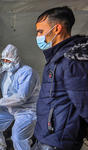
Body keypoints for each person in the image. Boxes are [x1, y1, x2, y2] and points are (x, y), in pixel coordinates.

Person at [33, 6, 88, 150]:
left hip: (57, 141)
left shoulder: (72, 60)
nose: (38, 37)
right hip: (46, 136)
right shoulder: (57, 58)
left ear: (57, 29)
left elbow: (84, 102)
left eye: (40, 31)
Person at [0, 44, 40, 150]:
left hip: (26, 109)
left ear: (16, 59)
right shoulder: (5, 73)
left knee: (18, 137)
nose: (5, 63)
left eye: (8, 60)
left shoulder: (27, 72)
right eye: (4, 60)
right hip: (8, 107)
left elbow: (21, 97)